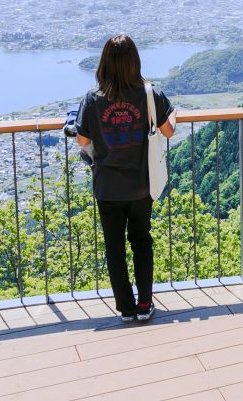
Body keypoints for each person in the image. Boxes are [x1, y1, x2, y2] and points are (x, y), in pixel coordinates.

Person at [72, 34, 175, 323]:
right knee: (141, 241)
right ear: (135, 62)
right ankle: (145, 305)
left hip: (107, 186)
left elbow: (82, 139)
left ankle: (126, 309)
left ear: (104, 63)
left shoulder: (93, 98)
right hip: (141, 184)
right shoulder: (148, 93)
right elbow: (168, 131)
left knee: (114, 247)